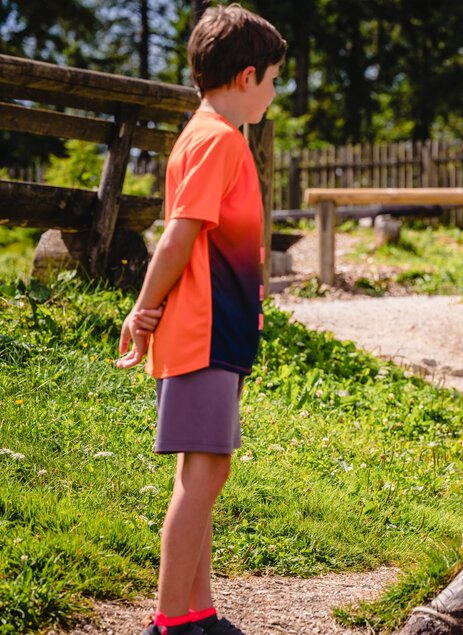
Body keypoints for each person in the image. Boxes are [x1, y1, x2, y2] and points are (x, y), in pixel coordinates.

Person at [115, 5, 286, 635]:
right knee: (206, 472)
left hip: (215, 330)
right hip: (204, 331)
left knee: (202, 472)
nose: (273, 93)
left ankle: (198, 612)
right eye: (272, 80)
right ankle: (170, 622)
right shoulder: (217, 140)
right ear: (246, 76)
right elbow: (178, 235)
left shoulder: (206, 134)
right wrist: (142, 312)